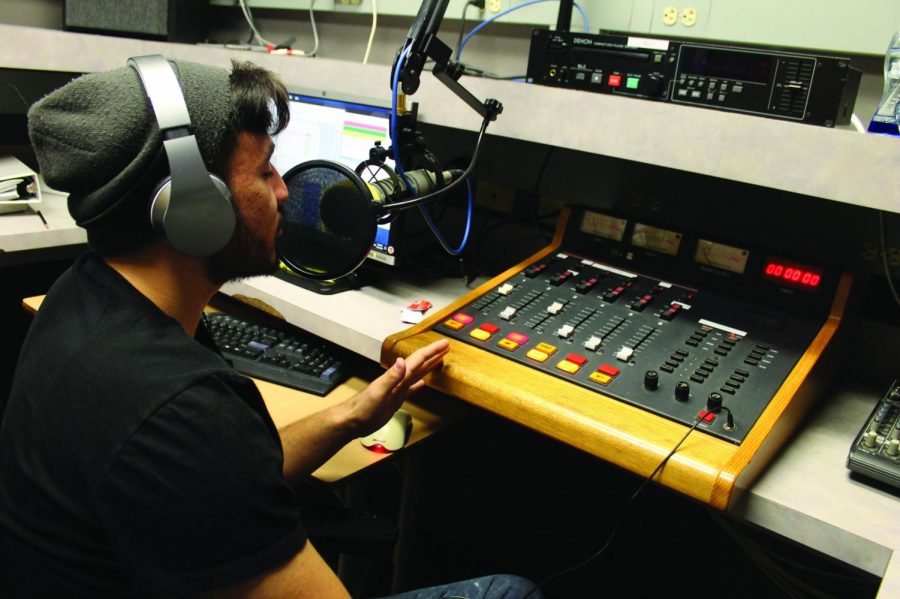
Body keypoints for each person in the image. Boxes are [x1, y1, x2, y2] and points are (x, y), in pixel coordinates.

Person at [0, 57, 542, 599]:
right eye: (264, 172)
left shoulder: (87, 297)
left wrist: (351, 416)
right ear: (193, 205)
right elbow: (203, 456)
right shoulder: (175, 407)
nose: (284, 192)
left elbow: (226, 478)